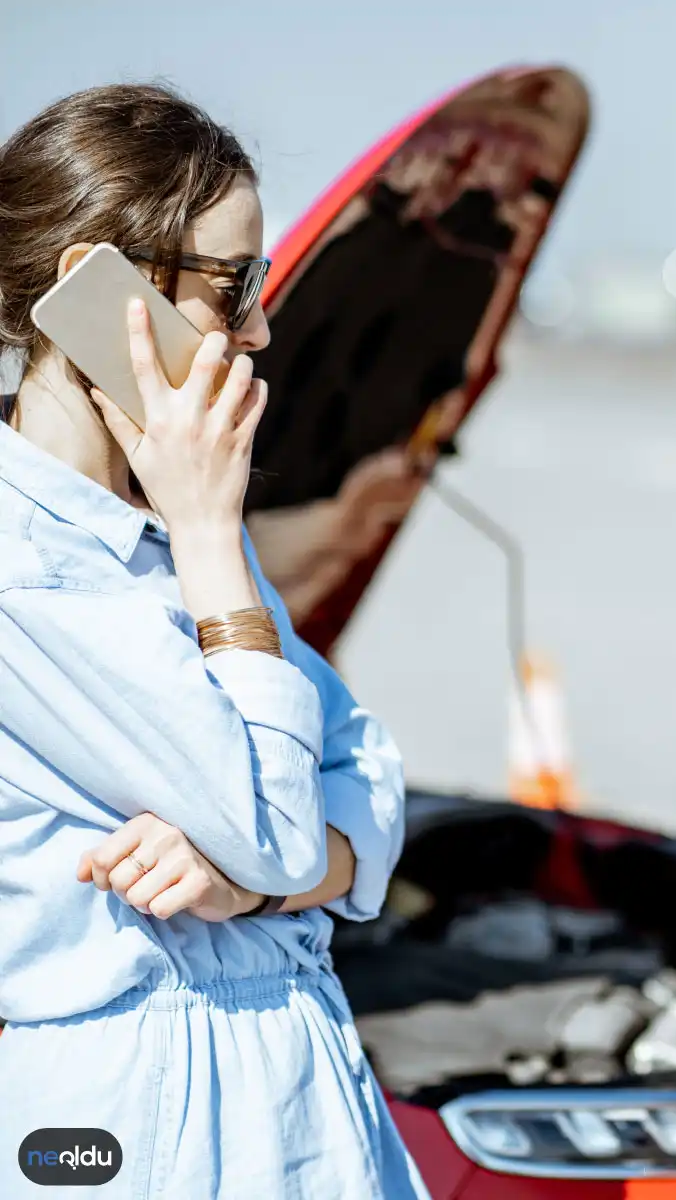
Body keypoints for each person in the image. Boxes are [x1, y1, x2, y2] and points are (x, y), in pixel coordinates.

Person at [0, 84, 430, 1198]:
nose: (262, 327)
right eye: (234, 285)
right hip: (141, 1124)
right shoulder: (28, 566)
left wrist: (254, 885)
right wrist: (205, 531)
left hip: (284, 1090)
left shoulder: (152, 532)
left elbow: (367, 767)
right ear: (95, 293)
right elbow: (289, 826)